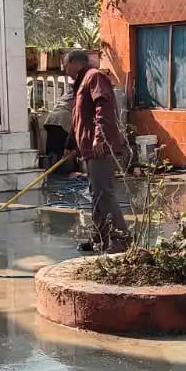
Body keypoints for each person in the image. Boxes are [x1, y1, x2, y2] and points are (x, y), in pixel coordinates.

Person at [64, 48, 130, 252]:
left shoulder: (94, 77)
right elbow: (79, 120)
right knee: (96, 194)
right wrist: (70, 146)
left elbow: (104, 107)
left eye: (65, 65)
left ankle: (121, 240)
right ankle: (100, 238)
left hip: (99, 149)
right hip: (88, 149)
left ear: (75, 63)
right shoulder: (82, 83)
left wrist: (100, 138)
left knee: (104, 193)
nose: (64, 69)